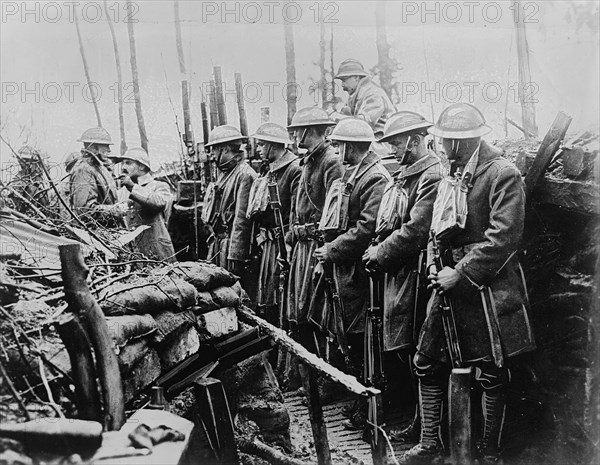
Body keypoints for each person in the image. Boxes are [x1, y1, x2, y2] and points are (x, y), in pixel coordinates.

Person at [402, 103, 536, 464]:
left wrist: (460, 274)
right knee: (426, 361)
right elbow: (437, 226)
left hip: (486, 289)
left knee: (490, 370)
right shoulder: (452, 171)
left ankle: (488, 452)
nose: (441, 147)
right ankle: (431, 442)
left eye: (447, 141)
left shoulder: (502, 173)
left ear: (465, 142)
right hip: (447, 284)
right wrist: (435, 265)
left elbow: (505, 237)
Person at [362, 112, 444, 441]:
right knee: (401, 345)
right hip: (401, 271)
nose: (393, 149)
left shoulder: (431, 174)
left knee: (413, 345)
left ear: (414, 139)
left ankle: (424, 427)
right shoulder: (407, 174)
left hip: (418, 273)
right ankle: (417, 419)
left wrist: (381, 253)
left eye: (396, 142)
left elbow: (415, 230)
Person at [313, 118, 390, 427]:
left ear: (354, 146)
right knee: (350, 337)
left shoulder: (374, 178)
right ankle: (363, 399)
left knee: (364, 339)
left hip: (363, 272)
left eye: (341, 145)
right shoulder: (355, 173)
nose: (338, 151)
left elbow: (366, 228)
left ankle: (372, 408)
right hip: (349, 270)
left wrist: (332, 249)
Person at [285, 107, 343, 359]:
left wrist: (326, 252)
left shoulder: (331, 161)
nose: (296, 135)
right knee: (300, 310)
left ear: (309, 131)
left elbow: (336, 212)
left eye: (298, 130)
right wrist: (290, 240)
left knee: (320, 312)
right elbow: (296, 208)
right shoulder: (308, 160)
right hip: (302, 247)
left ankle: (328, 378)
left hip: (318, 248)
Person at [247, 123, 301, 326]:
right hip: (267, 243)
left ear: (273, 145)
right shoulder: (268, 171)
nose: (258, 149)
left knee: (281, 296)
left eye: (261, 145)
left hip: (283, 245)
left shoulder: (294, 170)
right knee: (268, 297)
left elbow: (295, 212)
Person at [202, 125, 257, 283]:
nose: (211, 154)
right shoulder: (224, 172)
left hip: (231, 249)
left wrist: (235, 257)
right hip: (219, 246)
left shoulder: (244, 175)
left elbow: (242, 221)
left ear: (225, 149)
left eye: (214, 149)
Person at [113, 147, 176, 262]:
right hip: (131, 255)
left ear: (142, 166)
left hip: (157, 253)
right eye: (123, 163)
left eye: (128, 163)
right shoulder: (121, 192)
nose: (123, 167)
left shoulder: (159, 186)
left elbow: (158, 203)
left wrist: (132, 187)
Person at [330, 59, 396, 138]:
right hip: (370, 140)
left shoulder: (373, 94)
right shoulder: (356, 95)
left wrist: (338, 118)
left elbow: (363, 124)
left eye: (344, 80)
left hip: (383, 142)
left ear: (356, 78)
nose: (342, 85)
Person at [69, 127, 119, 227]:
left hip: (103, 231)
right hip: (92, 235)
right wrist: (117, 210)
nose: (109, 150)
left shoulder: (98, 168)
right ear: (93, 147)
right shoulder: (83, 170)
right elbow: (85, 211)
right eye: (105, 146)